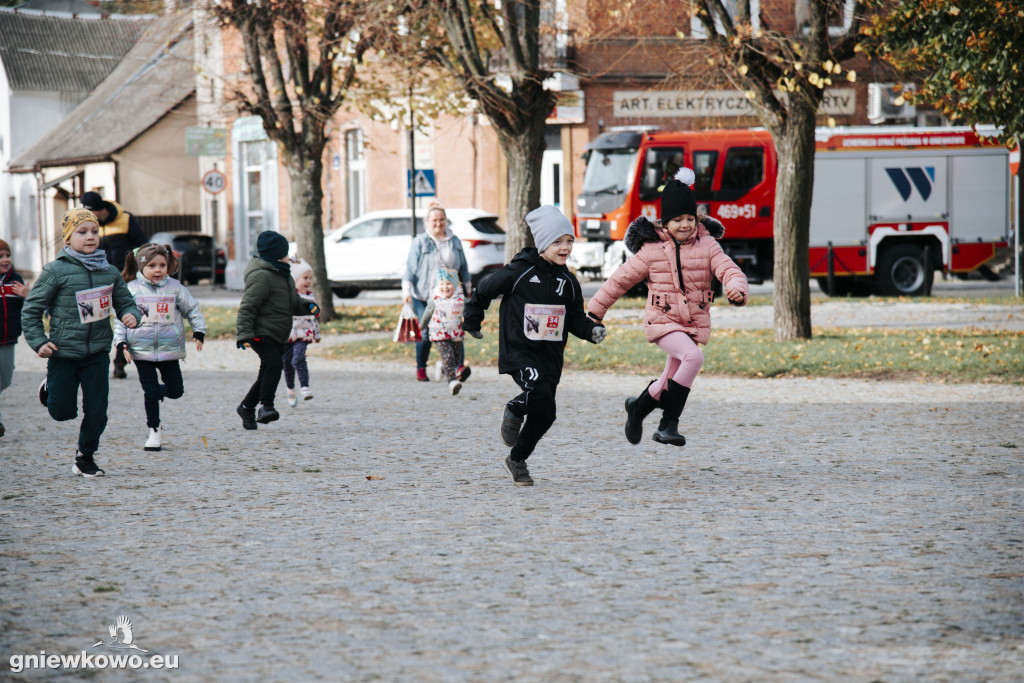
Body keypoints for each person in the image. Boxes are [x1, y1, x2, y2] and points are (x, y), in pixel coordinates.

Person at [587, 168, 748, 447]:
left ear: (696, 218)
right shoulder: (651, 250)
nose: (684, 224)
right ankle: (667, 424)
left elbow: (729, 270)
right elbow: (619, 281)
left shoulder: (708, 245)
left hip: (692, 322)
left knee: (668, 380)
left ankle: (637, 409)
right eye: (677, 219)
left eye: (689, 218)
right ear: (664, 222)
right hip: (662, 320)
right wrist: (595, 312)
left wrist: (737, 288)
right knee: (693, 359)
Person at [463, 205, 606, 486]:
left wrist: (591, 330)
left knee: (546, 412)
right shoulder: (519, 271)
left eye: (569, 241)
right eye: (557, 242)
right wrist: (473, 319)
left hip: (550, 356)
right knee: (538, 395)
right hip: (520, 351)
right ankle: (516, 408)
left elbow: (575, 318)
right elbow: (485, 289)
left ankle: (516, 459)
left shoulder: (569, 281)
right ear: (542, 243)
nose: (565, 247)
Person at [21, 209, 140, 477]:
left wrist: (132, 315)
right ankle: (50, 386)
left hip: (96, 352)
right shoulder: (55, 271)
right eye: (82, 232)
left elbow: (126, 302)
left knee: (97, 410)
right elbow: (31, 309)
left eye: (95, 232)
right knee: (62, 412)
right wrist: (39, 342)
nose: (90, 237)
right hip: (63, 352)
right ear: (67, 238)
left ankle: (85, 456)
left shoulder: (109, 271)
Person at [114, 243, 207, 452]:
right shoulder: (131, 289)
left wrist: (199, 331)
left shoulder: (175, 288)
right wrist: (121, 344)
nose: (158, 270)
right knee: (149, 391)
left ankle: (158, 393)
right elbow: (120, 319)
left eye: (162, 265)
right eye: (152, 265)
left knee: (176, 391)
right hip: (141, 350)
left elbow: (192, 309)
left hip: (169, 349)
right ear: (141, 267)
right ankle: (154, 430)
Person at [235, 231, 319, 430]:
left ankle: (246, 407)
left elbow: (291, 302)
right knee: (274, 364)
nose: (288, 257)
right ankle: (266, 406)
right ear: (276, 255)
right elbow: (248, 306)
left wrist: (305, 307)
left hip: (277, 332)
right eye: (285, 253)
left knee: (267, 371)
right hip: (259, 332)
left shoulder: (282, 273)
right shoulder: (262, 276)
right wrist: (244, 334)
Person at [401, 201, 472, 383]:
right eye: (434, 220)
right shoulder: (420, 241)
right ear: (427, 221)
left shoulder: (454, 241)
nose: (438, 223)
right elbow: (410, 268)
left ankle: (457, 368)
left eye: (441, 220)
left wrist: (468, 287)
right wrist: (406, 290)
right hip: (424, 295)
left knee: (455, 327)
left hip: (450, 294)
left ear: (445, 221)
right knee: (425, 332)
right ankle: (421, 368)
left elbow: (463, 266)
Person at [80, 191, 148, 379]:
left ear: (101, 210)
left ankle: (119, 361)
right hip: (97, 280)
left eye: (92, 214)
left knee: (124, 319)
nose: (90, 220)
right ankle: (92, 360)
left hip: (125, 279)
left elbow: (143, 246)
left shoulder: (126, 219)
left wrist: (134, 268)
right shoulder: (88, 227)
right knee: (94, 319)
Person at [419, 267, 467, 396]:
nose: (445, 287)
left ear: (455, 285)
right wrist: (422, 325)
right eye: (442, 284)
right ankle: (452, 382)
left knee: (454, 361)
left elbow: (468, 313)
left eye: (448, 284)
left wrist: (472, 326)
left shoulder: (461, 300)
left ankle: (441, 366)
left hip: (456, 333)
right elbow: (428, 313)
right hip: (439, 333)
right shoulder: (435, 299)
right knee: (449, 357)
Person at [0, 238, 30, 437]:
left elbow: (31, 309)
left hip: (9, 338)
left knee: (6, 378)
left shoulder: (16, 280)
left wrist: (28, 295)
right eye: (0, 256)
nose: (5, 260)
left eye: (8, 255)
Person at [282, 259, 320, 408]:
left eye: (310, 278)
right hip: (287, 335)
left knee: (298, 359)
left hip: (303, 335)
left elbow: (314, 318)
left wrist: (316, 334)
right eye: (305, 278)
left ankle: (305, 387)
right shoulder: (287, 297)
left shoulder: (311, 297)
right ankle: (290, 388)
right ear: (294, 280)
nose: (308, 281)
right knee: (287, 364)